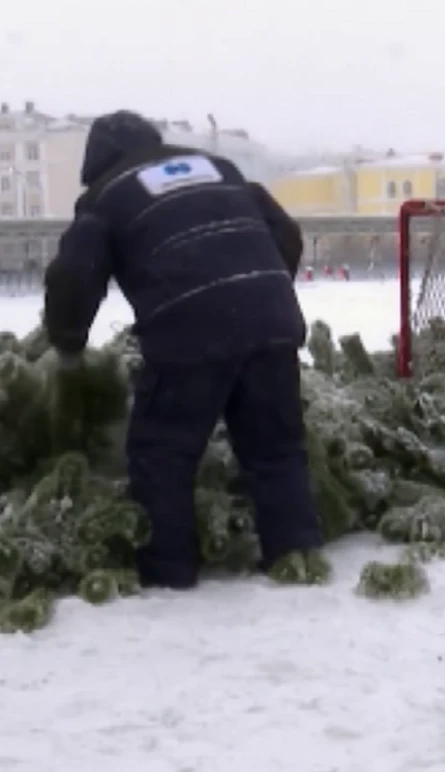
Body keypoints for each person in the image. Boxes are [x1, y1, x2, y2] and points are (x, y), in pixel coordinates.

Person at [42, 110, 326, 589]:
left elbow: (75, 274)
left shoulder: (108, 195)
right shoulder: (221, 170)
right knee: (276, 449)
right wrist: (258, 294)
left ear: (96, 162)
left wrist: (67, 342)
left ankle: (169, 574)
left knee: (162, 454)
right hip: (271, 319)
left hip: (188, 330)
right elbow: (287, 234)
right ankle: (297, 556)